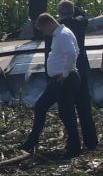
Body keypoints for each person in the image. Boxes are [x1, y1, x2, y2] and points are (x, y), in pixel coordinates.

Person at [22, 13, 97, 156]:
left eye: (43, 29)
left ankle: (71, 145)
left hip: (64, 79)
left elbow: (71, 53)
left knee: (48, 108)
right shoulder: (63, 33)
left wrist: (65, 73)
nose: (44, 33)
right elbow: (77, 51)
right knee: (63, 111)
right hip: (63, 78)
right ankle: (71, 144)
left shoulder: (62, 35)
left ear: (47, 24)